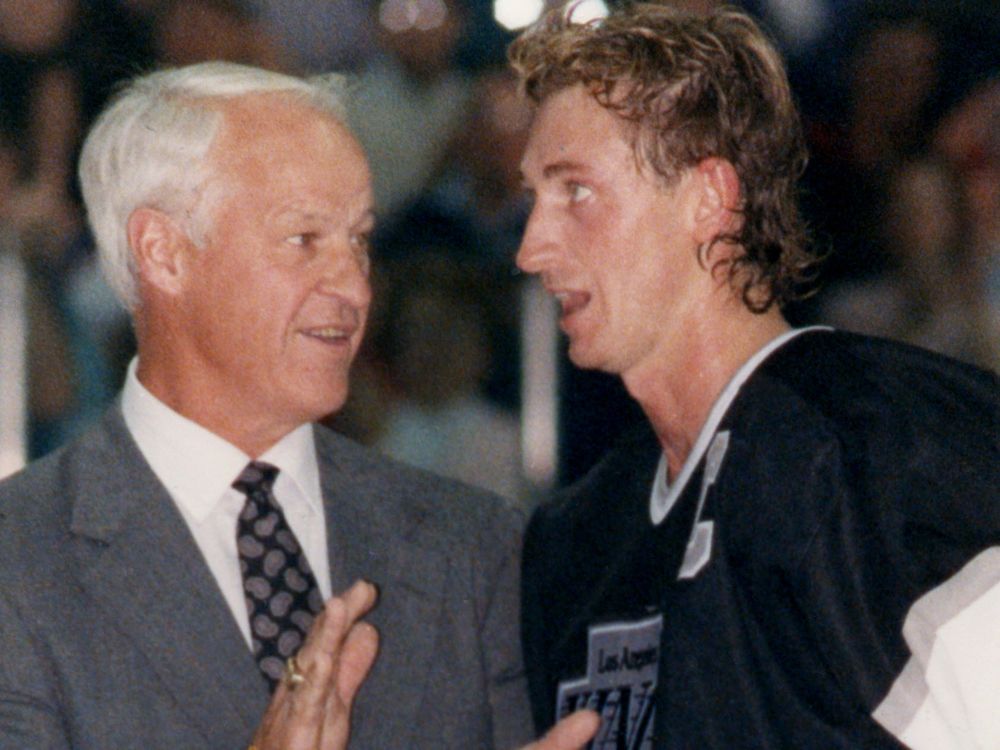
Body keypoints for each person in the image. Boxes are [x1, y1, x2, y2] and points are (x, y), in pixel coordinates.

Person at [0, 61, 595, 750]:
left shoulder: (472, 547)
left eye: (360, 241)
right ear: (163, 253)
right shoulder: (20, 564)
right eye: (304, 239)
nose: (354, 287)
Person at [509, 4, 1000, 749]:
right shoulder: (575, 541)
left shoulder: (889, 451)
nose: (531, 248)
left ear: (710, 198)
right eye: (532, 199)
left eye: (574, 191)